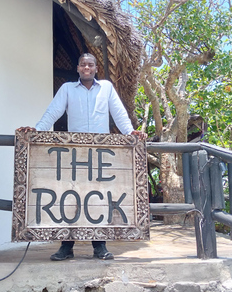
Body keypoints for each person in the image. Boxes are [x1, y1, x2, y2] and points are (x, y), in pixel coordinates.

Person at [18, 53, 147, 261]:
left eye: (90, 64)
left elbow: (119, 113)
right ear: (78, 68)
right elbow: (53, 112)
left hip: (100, 154)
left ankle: (100, 247)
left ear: (96, 69)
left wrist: (130, 132)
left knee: (98, 199)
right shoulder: (67, 89)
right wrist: (37, 130)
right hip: (74, 153)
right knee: (72, 197)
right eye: (83, 64)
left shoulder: (106, 88)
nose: (86, 67)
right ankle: (66, 247)